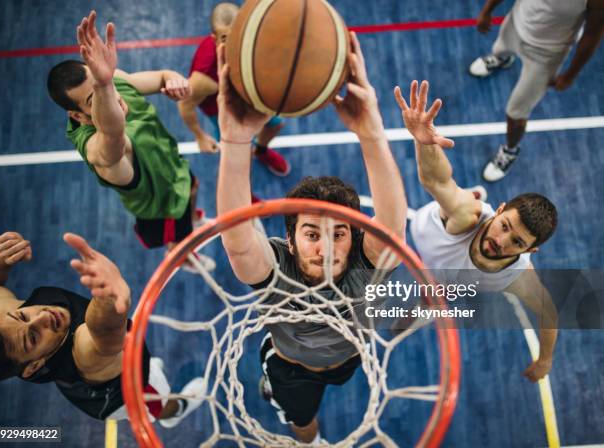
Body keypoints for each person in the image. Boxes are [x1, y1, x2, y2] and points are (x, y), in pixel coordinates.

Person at [216, 30, 407, 443]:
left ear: (356, 236)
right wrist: (234, 139)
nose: (324, 247)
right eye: (310, 234)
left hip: (349, 357)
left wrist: (370, 131)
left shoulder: (365, 263)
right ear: (289, 238)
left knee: (339, 377)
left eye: (338, 233)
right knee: (301, 422)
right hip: (291, 369)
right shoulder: (278, 268)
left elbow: (392, 227)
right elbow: (237, 237)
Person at [394, 80, 559, 381]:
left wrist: (545, 361)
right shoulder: (466, 217)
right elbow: (437, 180)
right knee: (457, 200)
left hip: (445, 276)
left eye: (517, 241)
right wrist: (424, 142)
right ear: (499, 211)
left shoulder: (518, 276)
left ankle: (412, 312)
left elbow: (549, 314)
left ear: (529, 251)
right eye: (504, 225)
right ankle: (475, 196)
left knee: (429, 297)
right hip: (426, 232)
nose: (500, 240)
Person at [47, 10, 214, 272]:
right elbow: (112, 136)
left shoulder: (113, 80)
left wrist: (175, 82)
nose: (109, 96)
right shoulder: (97, 150)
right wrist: (102, 84)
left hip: (172, 167)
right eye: (96, 97)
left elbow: (161, 76)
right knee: (179, 238)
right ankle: (183, 256)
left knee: (193, 187)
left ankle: (194, 220)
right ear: (78, 115)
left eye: (104, 84)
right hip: (162, 207)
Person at [0, 231, 204, 427]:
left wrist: (3, 257)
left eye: (22, 315)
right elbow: (103, 334)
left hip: (85, 381)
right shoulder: (83, 355)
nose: (41, 317)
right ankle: (176, 410)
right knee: (157, 401)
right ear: (33, 366)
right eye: (33, 336)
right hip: (118, 395)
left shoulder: (6, 324)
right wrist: (107, 298)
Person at [468, 0, 604, 182]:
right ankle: (502, 59)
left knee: (515, 114)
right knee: (499, 49)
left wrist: (570, 74)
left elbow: (592, 34)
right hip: (515, 26)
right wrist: (487, 10)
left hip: (546, 55)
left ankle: (510, 150)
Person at [178, 2, 291, 177]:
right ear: (214, 39)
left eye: (237, 36)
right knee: (240, 159)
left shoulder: (249, 42)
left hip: (248, 95)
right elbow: (185, 104)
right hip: (223, 109)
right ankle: (247, 197)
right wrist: (199, 135)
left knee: (276, 124)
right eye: (225, 39)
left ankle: (261, 151)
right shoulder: (205, 76)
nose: (233, 46)